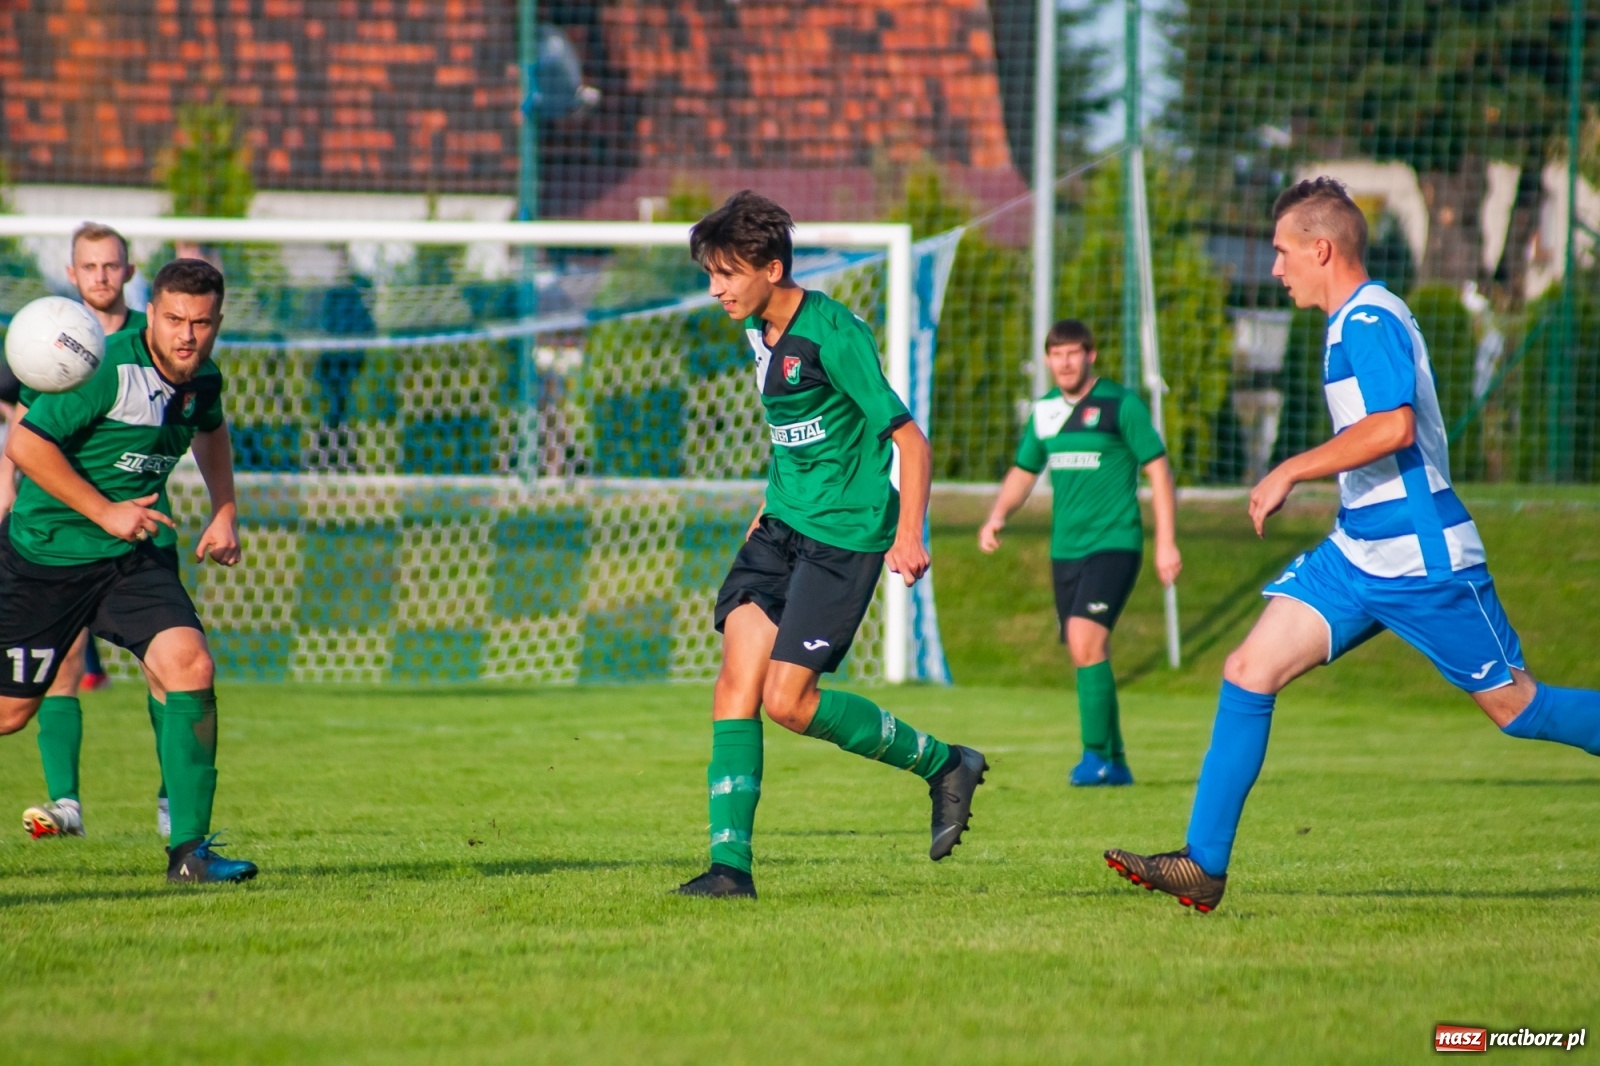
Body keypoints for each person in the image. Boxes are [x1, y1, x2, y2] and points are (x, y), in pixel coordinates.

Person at [1104, 177, 1600, 913]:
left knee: (1518, 709)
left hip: (1423, 561)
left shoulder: (1367, 320)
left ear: (1322, 249)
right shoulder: (1350, 322)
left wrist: (1289, 470)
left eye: (1282, 252)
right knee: (1248, 670)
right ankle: (1202, 866)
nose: (1275, 269)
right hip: (1358, 553)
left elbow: (1393, 427)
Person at [675, 191, 988, 899]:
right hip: (779, 529)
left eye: (726, 273)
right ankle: (730, 870)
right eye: (711, 275)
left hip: (843, 539)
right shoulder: (757, 331)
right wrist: (764, 510)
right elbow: (793, 438)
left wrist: (909, 534)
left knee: (789, 702)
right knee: (735, 684)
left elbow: (910, 440)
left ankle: (944, 764)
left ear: (773, 268)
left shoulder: (833, 333)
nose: (716, 289)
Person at [2, 258, 256, 882]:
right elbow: (25, 445)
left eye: (201, 322)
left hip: (128, 560)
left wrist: (224, 510)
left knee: (189, 664)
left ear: (217, 321)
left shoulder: (204, 379)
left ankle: (190, 854)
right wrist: (104, 511)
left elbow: (211, 432)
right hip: (47, 558)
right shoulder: (105, 368)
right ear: (153, 313)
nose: (187, 335)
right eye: (173, 319)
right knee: (10, 714)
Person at [3, 223, 173, 839]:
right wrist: (5, 490)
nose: (101, 275)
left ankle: (172, 802)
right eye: (89, 266)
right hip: (55, 532)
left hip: (131, 534)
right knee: (59, 662)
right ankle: (66, 802)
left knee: (171, 663)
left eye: (112, 265)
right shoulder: (46, 339)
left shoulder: (155, 341)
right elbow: (25, 428)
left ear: (130, 272)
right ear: (71, 275)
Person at [979, 320, 1180, 785]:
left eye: (1073, 353)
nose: (1065, 362)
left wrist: (1166, 541)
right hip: (1065, 550)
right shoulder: (1045, 411)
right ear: (1048, 359)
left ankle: (1094, 759)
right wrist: (998, 516)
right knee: (1085, 648)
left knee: (1085, 639)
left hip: (1114, 543)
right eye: (1056, 354)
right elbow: (1024, 472)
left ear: (1091, 355)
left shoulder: (1119, 404)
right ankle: (1118, 760)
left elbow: (1158, 470)